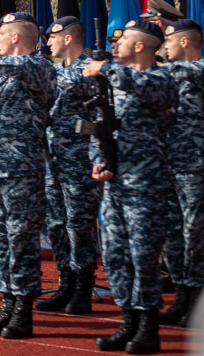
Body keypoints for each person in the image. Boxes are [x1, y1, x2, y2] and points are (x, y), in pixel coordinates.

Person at [82, 19, 177, 353]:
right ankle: (128, 321)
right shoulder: (115, 83)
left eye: (122, 41)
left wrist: (105, 69)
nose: (115, 46)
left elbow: (143, 86)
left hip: (145, 186)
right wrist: (99, 160)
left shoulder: (161, 79)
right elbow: (100, 126)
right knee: (115, 256)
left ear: (140, 46)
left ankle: (148, 328)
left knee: (143, 257)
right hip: (115, 185)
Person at [0, 12, 57, 340]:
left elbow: (23, 67)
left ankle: (23, 310)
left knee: (22, 241)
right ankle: (8, 302)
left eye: (2, 34)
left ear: (16, 36)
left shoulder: (39, 68)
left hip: (23, 170)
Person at [37, 16, 102, 315]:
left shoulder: (89, 69)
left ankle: (83, 287)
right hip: (53, 160)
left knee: (80, 226)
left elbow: (99, 113)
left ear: (68, 38)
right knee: (56, 224)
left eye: (52, 37)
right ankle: (66, 283)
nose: (48, 42)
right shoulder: (53, 71)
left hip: (80, 161)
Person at [159, 19, 204, 328]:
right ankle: (181, 297)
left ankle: (197, 302)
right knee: (172, 235)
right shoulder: (169, 75)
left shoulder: (196, 70)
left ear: (185, 41)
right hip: (168, 165)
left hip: (195, 168)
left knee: (195, 234)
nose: (166, 47)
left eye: (169, 41)